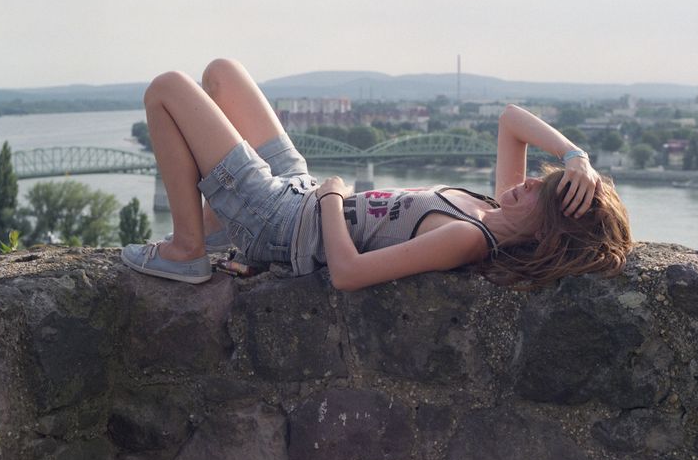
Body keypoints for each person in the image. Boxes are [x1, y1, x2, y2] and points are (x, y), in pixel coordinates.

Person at [121, 59, 632, 290]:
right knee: (221, 74)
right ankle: (214, 232)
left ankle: (188, 250)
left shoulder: (467, 238)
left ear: (546, 229)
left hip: (283, 221)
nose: (526, 184)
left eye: (538, 194)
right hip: (297, 195)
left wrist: (330, 197)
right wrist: (575, 158)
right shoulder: (496, 209)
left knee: (166, 88)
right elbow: (510, 120)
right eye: (537, 180)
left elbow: (347, 274)